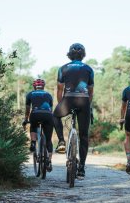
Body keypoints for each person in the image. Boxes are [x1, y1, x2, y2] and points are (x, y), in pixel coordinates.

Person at [53, 43, 94, 179]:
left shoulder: (63, 68)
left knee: (55, 116)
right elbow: (91, 91)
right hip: (84, 101)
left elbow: (60, 90)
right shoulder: (89, 69)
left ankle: (61, 142)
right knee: (84, 136)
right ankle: (81, 168)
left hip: (68, 100)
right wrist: (88, 104)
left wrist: (62, 105)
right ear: (83, 55)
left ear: (69, 54)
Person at [23, 78, 54, 171]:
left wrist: (26, 120)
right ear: (43, 87)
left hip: (35, 114)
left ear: (34, 86)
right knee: (48, 140)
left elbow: (28, 110)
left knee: (33, 125)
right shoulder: (49, 95)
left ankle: (33, 143)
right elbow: (50, 109)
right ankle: (48, 161)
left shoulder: (30, 94)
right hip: (48, 115)